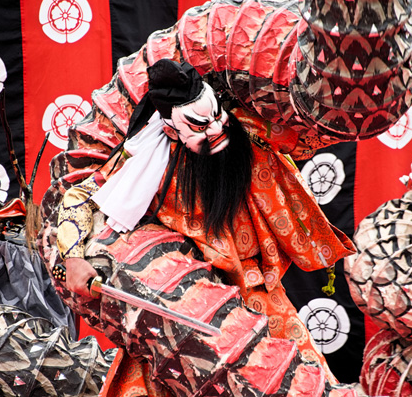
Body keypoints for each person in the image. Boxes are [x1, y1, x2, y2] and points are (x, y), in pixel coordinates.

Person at [55, 58, 356, 394]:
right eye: (198, 126)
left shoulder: (247, 131)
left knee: (301, 381)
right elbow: (80, 197)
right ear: (170, 130)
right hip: (188, 307)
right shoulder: (149, 166)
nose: (215, 130)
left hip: (262, 296)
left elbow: (309, 131)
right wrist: (72, 256)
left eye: (216, 116)